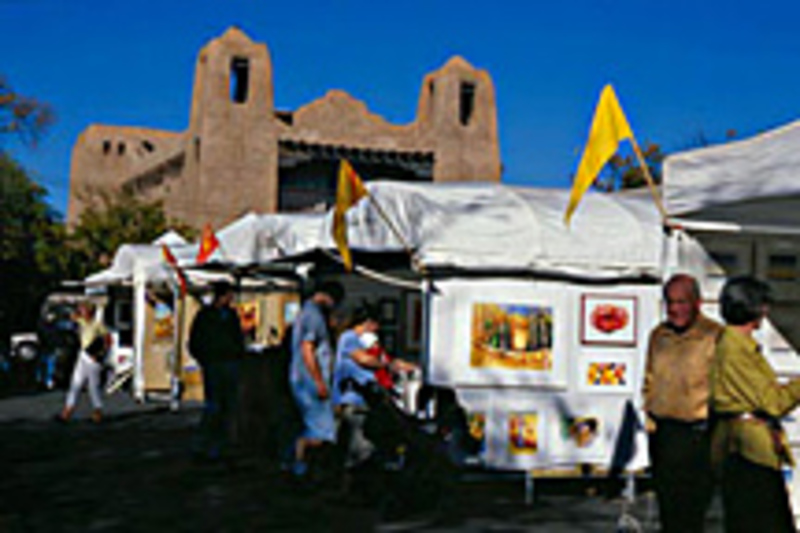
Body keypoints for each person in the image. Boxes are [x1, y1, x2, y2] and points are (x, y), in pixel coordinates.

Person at [710, 276, 800, 533]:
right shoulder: (735, 349)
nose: (765, 310)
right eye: (762, 304)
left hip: (748, 450)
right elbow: (773, 402)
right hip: (747, 453)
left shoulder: (740, 346)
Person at [643, 274, 722, 533]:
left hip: (698, 435)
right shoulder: (659, 335)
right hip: (664, 434)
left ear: (697, 303)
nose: (675, 309)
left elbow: (724, 386)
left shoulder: (713, 336)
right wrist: (650, 421)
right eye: (670, 302)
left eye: (682, 302)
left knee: (691, 512)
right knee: (668, 509)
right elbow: (649, 379)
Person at [289, 280, 345, 479]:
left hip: (301, 377)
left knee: (313, 424)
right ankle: (301, 463)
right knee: (321, 430)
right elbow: (308, 349)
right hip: (309, 379)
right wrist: (319, 381)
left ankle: (298, 463)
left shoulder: (305, 313)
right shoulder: (314, 316)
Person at [188, 281, 245, 462]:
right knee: (214, 406)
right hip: (214, 364)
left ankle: (221, 445)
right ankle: (204, 444)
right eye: (229, 295)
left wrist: (238, 353)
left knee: (228, 406)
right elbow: (195, 341)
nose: (231, 299)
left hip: (230, 363)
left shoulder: (231, 315)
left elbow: (238, 338)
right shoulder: (206, 316)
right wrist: (205, 359)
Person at [58, 301, 111, 424]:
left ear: (89, 311)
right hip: (83, 354)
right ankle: (67, 411)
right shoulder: (82, 322)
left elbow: (108, 339)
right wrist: (76, 310)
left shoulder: (97, 324)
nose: (81, 311)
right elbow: (73, 316)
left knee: (93, 386)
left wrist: (101, 354)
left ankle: (98, 411)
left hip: (92, 356)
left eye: (83, 309)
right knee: (75, 383)